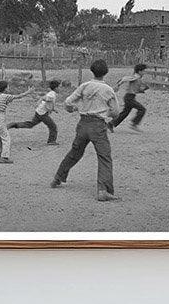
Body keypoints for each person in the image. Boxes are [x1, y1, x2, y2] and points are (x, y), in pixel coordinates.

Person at [51, 59, 121, 202]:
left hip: (83, 124)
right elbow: (115, 112)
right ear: (105, 72)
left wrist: (74, 109)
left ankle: (58, 177)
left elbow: (68, 103)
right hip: (98, 125)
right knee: (104, 157)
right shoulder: (108, 89)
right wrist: (105, 114)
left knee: (75, 152)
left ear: (92, 71)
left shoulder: (84, 86)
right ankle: (104, 189)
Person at [0, 80, 34, 164]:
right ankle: (4, 157)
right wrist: (28, 92)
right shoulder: (6, 96)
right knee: (6, 139)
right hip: (0, 119)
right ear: (5, 88)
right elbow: (19, 96)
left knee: (1, 137)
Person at [9, 79, 61, 145]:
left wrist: (53, 109)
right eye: (59, 87)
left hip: (39, 112)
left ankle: (15, 124)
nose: (60, 88)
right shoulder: (52, 95)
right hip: (42, 114)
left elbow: (48, 104)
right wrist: (38, 101)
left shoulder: (52, 94)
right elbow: (43, 98)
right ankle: (51, 141)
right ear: (56, 88)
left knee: (30, 124)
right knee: (53, 127)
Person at [113, 62, 149, 129]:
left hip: (130, 97)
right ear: (139, 71)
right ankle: (134, 124)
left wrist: (142, 90)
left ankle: (111, 124)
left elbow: (136, 89)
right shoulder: (135, 77)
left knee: (125, 113)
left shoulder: (138, 79)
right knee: (142, 109)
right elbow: (124, 78)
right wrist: (118, 85)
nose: (144, 72)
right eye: (143, 71)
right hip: (129, 98)